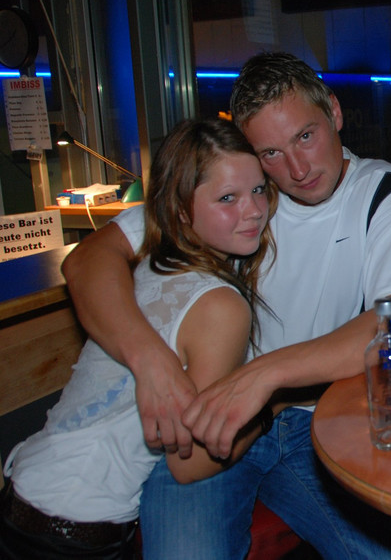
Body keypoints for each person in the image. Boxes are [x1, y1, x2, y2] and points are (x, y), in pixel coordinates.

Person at [59, 52, 391, 558]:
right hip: (212, 418)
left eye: (305, 136)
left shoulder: (382, 190)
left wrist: (265, 377)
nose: (297, 168)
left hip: (312, 418)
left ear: (335, 112)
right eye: (270, 152)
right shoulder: (242, 194)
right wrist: (151, 361)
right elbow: (87, 260)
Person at [2, 118, 276, 559]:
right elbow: (189, 463)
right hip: (75, 535)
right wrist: (272, 402)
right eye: (228, 198)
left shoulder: (148, 257)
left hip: (22, 493)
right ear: (181, 210)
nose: (255, 210)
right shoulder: (220, 307)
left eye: (259, 190)